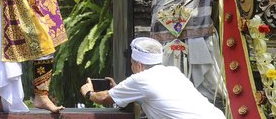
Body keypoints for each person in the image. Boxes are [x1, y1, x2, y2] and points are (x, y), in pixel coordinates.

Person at [79, 37, 225, 119]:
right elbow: (155, 97)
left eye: (132, 64)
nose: (132, 68)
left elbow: (105, 97)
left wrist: (89, 93)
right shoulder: (173, 72)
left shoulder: (141, 79)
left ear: (140, 65)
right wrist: (121, 90)